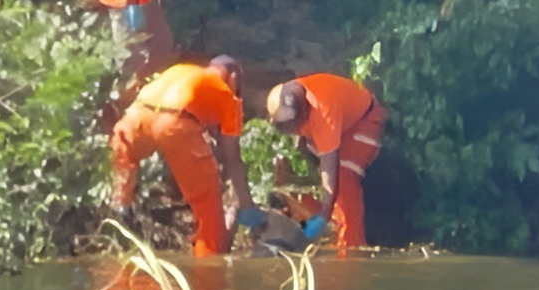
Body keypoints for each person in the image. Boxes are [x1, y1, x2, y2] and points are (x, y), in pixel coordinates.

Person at [109, 56, 261, 257]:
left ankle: (117, 231)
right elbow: (232, 157)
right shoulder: (227, 95)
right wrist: (247, 206)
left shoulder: (181, 70)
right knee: (208, 208)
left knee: (122, 187)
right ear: (233, 78)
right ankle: (208, 268)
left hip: (133, 119)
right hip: (175, 124)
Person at [265, 74, 388, 248]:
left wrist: (325, 213)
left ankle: (350, 248)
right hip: (341, 124)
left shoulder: (323, 113)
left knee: (343, 179)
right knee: (326, 182)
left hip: (364, 122)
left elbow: (329, 172)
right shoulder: (293, 93)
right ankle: (333, 226)